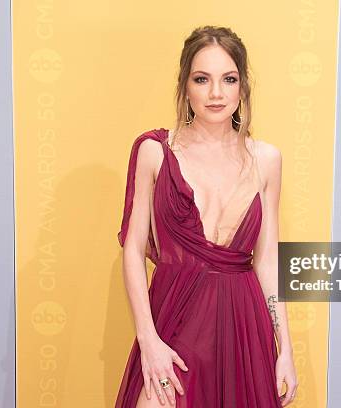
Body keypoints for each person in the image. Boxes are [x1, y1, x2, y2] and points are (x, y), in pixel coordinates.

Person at [115, 26, 297, 407]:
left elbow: (267, 260)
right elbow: (132, 251)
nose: (216, 93)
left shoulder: (266, 160)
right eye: (202, 79)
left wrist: (285, 350)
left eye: (228, 79)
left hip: (244, 328)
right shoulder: (154, 152)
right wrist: (149, 342)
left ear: (242, 87)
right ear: (185, 86)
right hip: (174, 321)